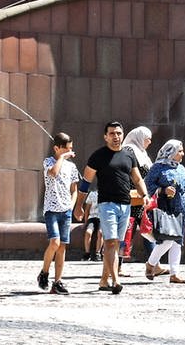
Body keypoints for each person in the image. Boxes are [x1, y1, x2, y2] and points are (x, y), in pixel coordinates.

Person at [78, 121, 147, 294]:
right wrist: (79, 205)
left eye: (118, 133)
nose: (115, 137)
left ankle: (103, 281)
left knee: (115, 244)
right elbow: (85, 183)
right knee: (110, 242)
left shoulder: (129, 155)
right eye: (112, 134)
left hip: (126, 205)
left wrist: (144, 195)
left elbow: (137, 179)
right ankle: (115, 281)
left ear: (123, 135)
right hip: (106, 204)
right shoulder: (98, 156)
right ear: (105, 136)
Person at [144, 139, 185, 284]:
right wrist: (163, 190)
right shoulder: (158, 167)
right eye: (180, 151)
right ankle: (151, 264)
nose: (183, 154)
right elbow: (147, 185)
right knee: (167, 241)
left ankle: (174, 274)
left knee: (177, 242)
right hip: (166, 208)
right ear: (171, 152)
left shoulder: (181, 169)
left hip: (181, 210)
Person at [38, 132, 80, 295]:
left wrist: (72, 204)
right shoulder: (48, 161)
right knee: (54, 243)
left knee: (62, 247)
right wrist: (62, 157)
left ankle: (57, 282)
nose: (70, 152)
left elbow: (74, 189)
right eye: (66, 149)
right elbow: (53, 173)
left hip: (66, 211)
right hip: (51, 210)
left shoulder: (72, 167)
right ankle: (44, 272)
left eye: (71, 149)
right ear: (57, 148)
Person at [120, 126, 153, 260]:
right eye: (147, 139)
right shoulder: (129, 150)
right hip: (131, 198)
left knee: (148, 231)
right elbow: (125, 172)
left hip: (142, 199)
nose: (149, 142)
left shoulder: (142, 153)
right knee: (127, 231)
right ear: (139, 138)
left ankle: (154, 263)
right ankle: (118, 264)